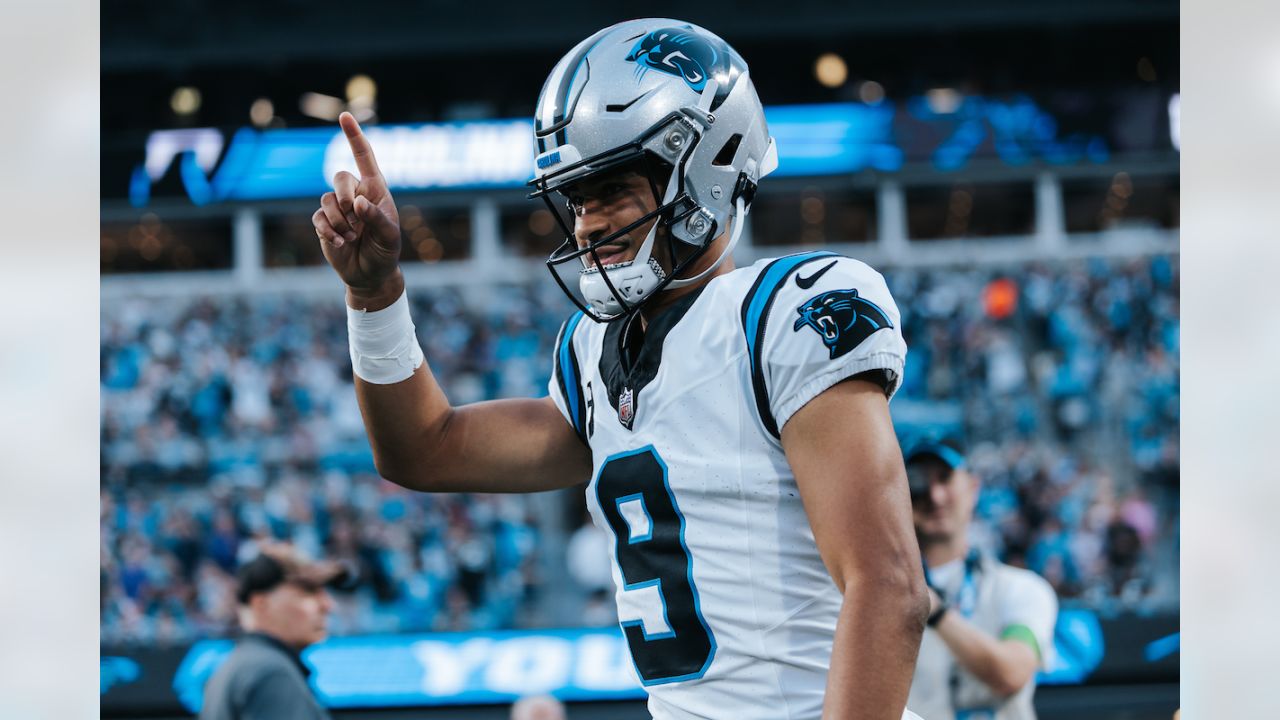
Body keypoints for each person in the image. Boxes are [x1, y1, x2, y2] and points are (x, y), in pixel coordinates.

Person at [312, 18, 927, 720]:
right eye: (576, 200)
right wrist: (373, 294)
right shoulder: (593, 351)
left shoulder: (786, 312)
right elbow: (423, 450)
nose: (586, 225)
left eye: (610, 191)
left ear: (706, 165)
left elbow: (889, 584)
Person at [905, 437, 1058, 720]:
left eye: (945, 478)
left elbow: (1012, 673)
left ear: (973, 488)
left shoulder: (1022, 588)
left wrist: (935, 611)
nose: (934, 496)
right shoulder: (880, 596)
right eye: (918, 483)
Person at [199, 544, 348, 720]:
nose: (327, 605)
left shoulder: (242, 665)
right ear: (261, 604)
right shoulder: (270, 671)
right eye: (308, 592)